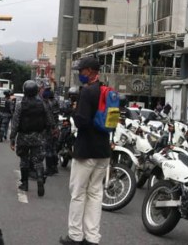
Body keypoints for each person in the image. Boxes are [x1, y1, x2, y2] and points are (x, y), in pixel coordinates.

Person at [60, 56, 111, 245]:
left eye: (81, 71)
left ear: (89, 71)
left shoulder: (87, 92)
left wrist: (73, 110)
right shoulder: (106, 90)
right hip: (103, 151)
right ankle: (92, 238)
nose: (79, 74)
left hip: (86, 151)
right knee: (95, 194)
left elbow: (81, 121)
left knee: (78, 193)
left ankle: (74, 236)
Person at [10, 80, 53, 196]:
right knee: (38, 160)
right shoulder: (43, 104)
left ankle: (24, 183)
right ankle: (40, 177)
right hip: (39, 137)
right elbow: (50, 121)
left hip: (23, 137)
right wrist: (47, 133)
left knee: (24, 160)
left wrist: (12, 138)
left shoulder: (20, 105)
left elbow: (15, 123)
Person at [42, 86, 60, 176]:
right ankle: (54, 167)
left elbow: (48, 118)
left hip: (50, 128)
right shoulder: (56, 101)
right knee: (53, 148)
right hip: (56, 127)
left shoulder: (48, 104)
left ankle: (49, 168)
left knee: (48, 149)